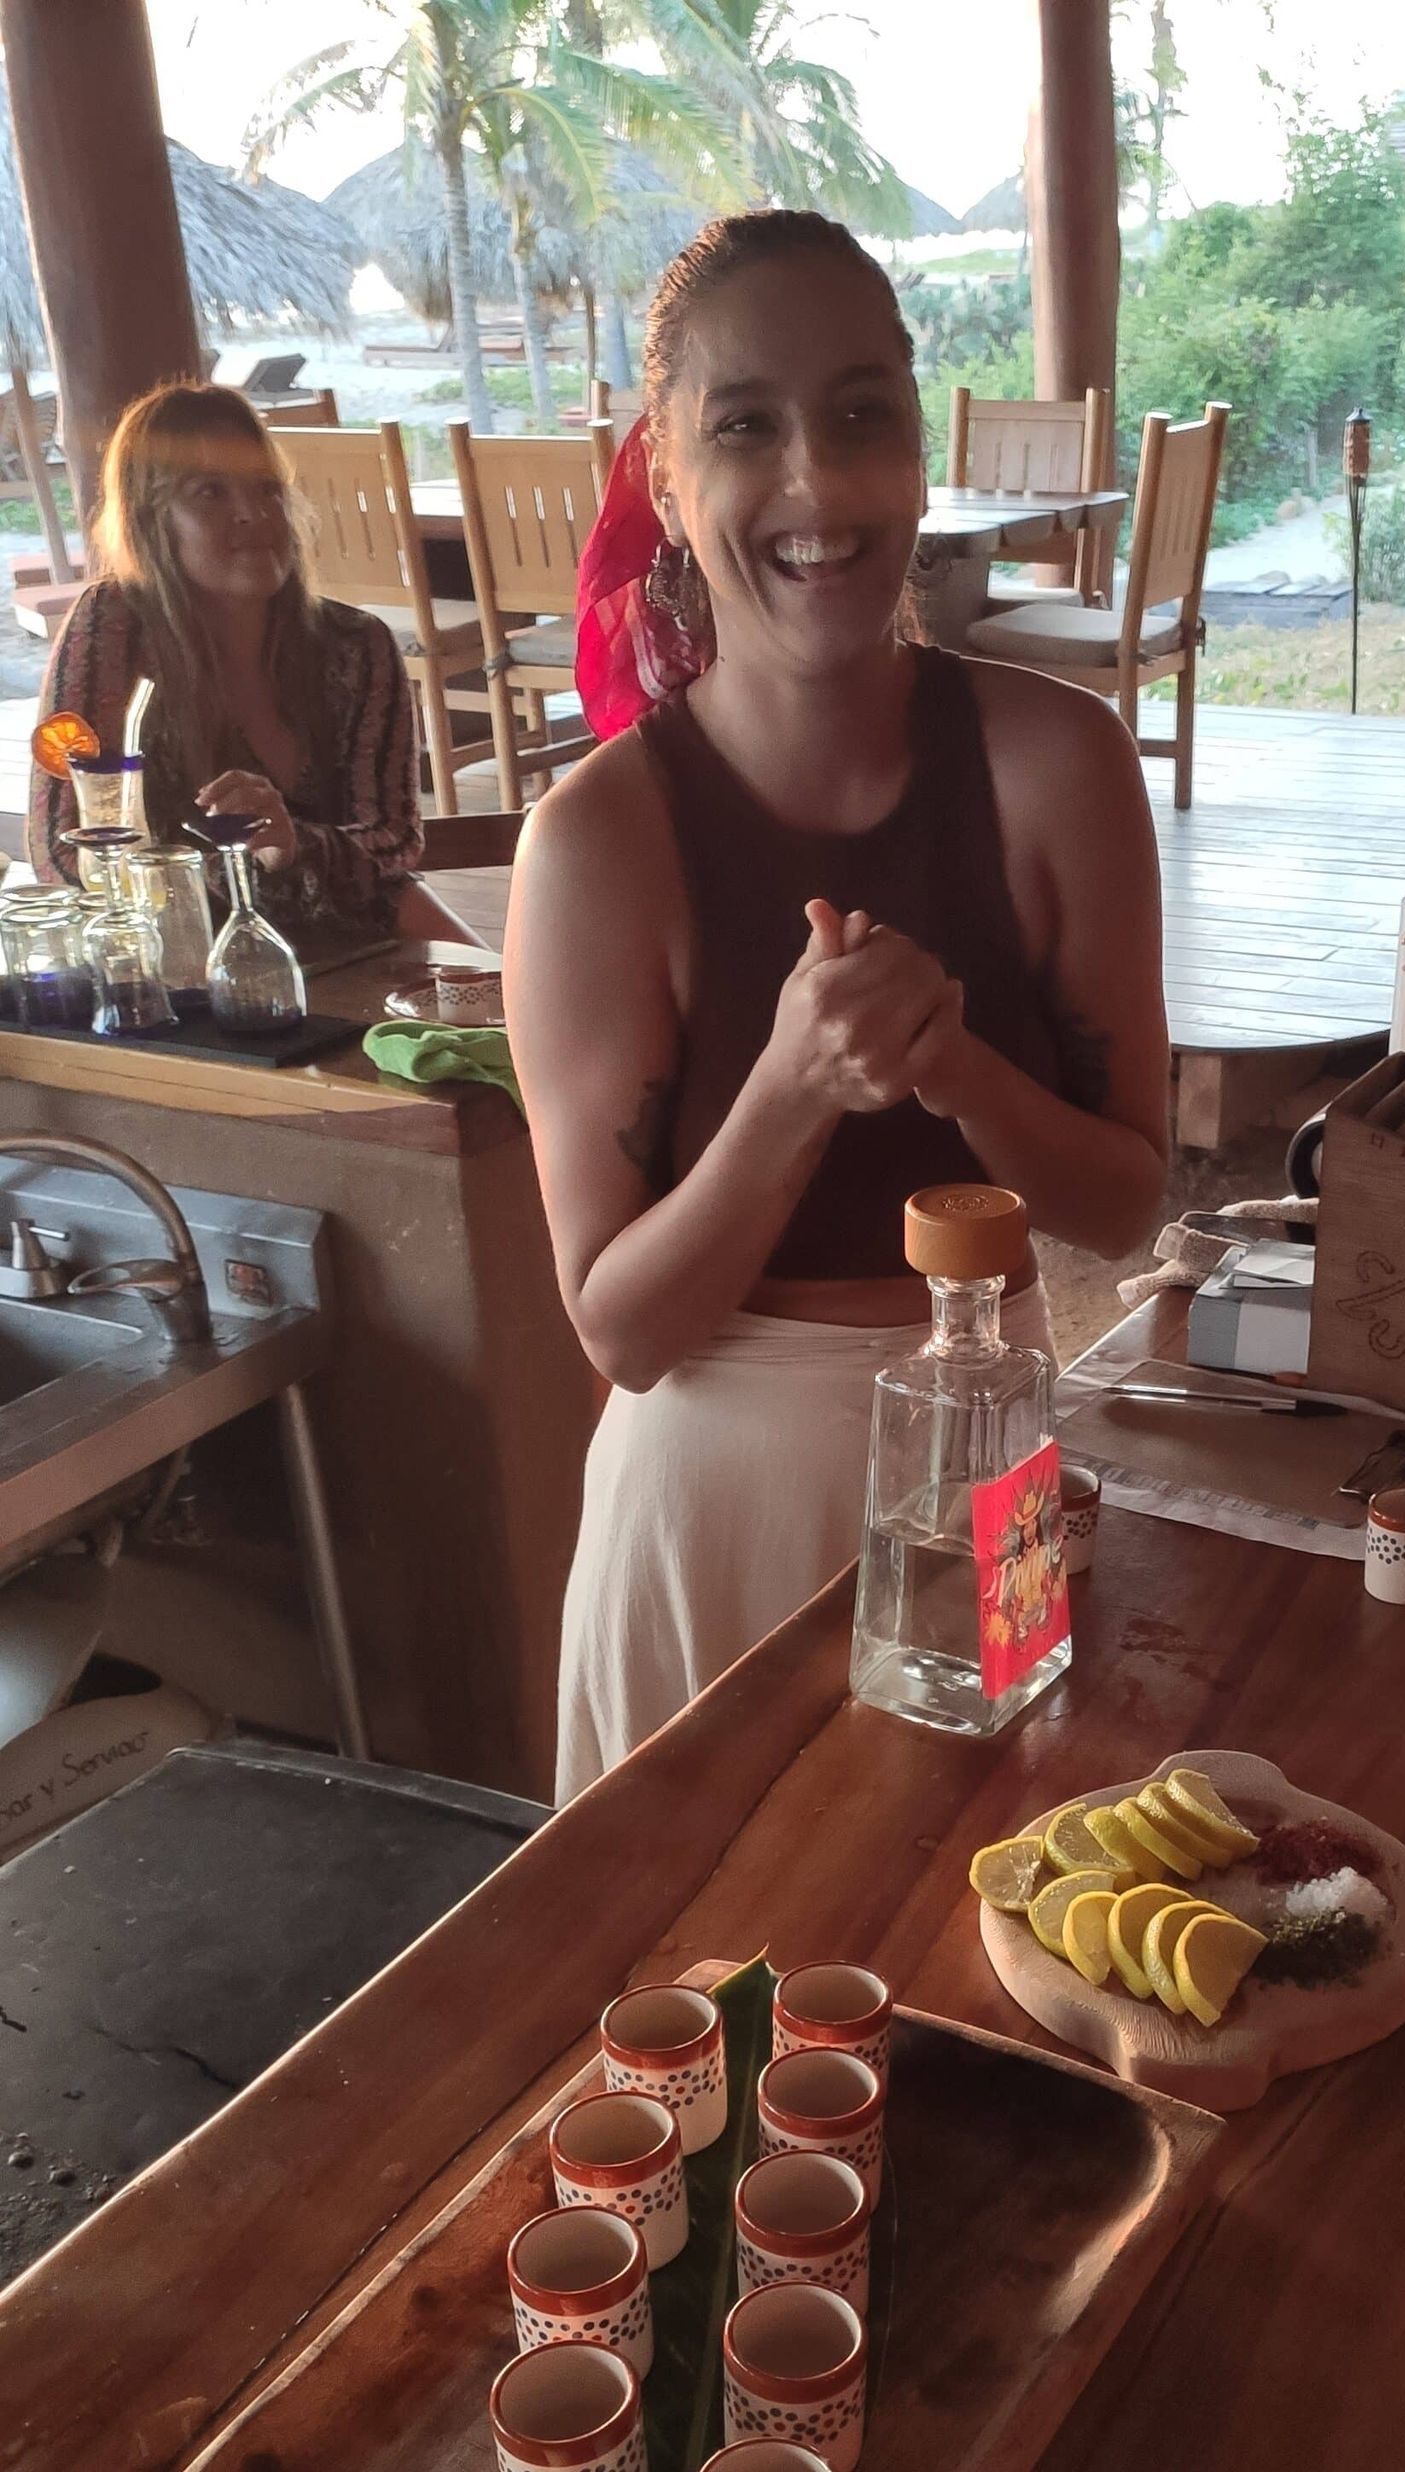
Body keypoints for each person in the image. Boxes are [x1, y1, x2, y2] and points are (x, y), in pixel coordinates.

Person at [508, 210, 1170, 1800]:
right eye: (746, 426)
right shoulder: (599, 842)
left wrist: (962, 1071)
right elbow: (625, 1325)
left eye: (863, 411)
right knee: (713, 2006)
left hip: (994, 1445)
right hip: (709, 1496)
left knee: (991, 1940)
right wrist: (793, 1086)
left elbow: (1127, 1201)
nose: (815, 481)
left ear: (919, 452)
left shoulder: (1058, 767)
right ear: (664, 476)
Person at [28, 380, 473, 954]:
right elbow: (63, 849)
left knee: (501, 1016)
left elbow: (391, 841)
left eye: (267, 490)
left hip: (351, 944)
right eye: (209, 492)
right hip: (177, 962)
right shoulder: (112, 625)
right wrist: (247, 873)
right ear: (151, 522)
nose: (252, 515)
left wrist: (290, 846)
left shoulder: (357, 644)